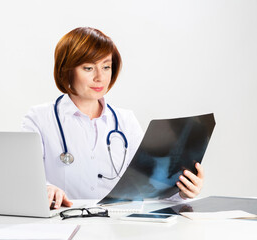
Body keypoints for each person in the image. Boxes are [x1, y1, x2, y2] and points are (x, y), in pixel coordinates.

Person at [22, 27, 204, 209]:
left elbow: (150, 187)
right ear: (66, 70)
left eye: (106, 67)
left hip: (115, 226)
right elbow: (22, 178)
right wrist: (45, 189)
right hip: (62, 224)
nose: (100, 77)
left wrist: (181, 191)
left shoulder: (126, 121)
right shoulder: (39, 119)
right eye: (88, 68)